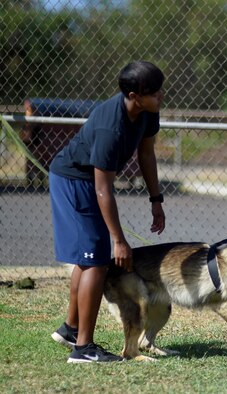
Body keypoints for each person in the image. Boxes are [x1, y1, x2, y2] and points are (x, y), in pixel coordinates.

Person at [49, 60, 167, 363]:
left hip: (89, 183)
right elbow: (103, 189)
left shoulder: (146, 113)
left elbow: (146, 152)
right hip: (74, 181)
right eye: (154, 92)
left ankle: (71, 330)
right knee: (96, 261)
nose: (161, 97)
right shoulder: (110, 126)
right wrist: (119, 240)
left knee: (90, 257)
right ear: (134, 95)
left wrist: (156, 199)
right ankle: (83, 349)